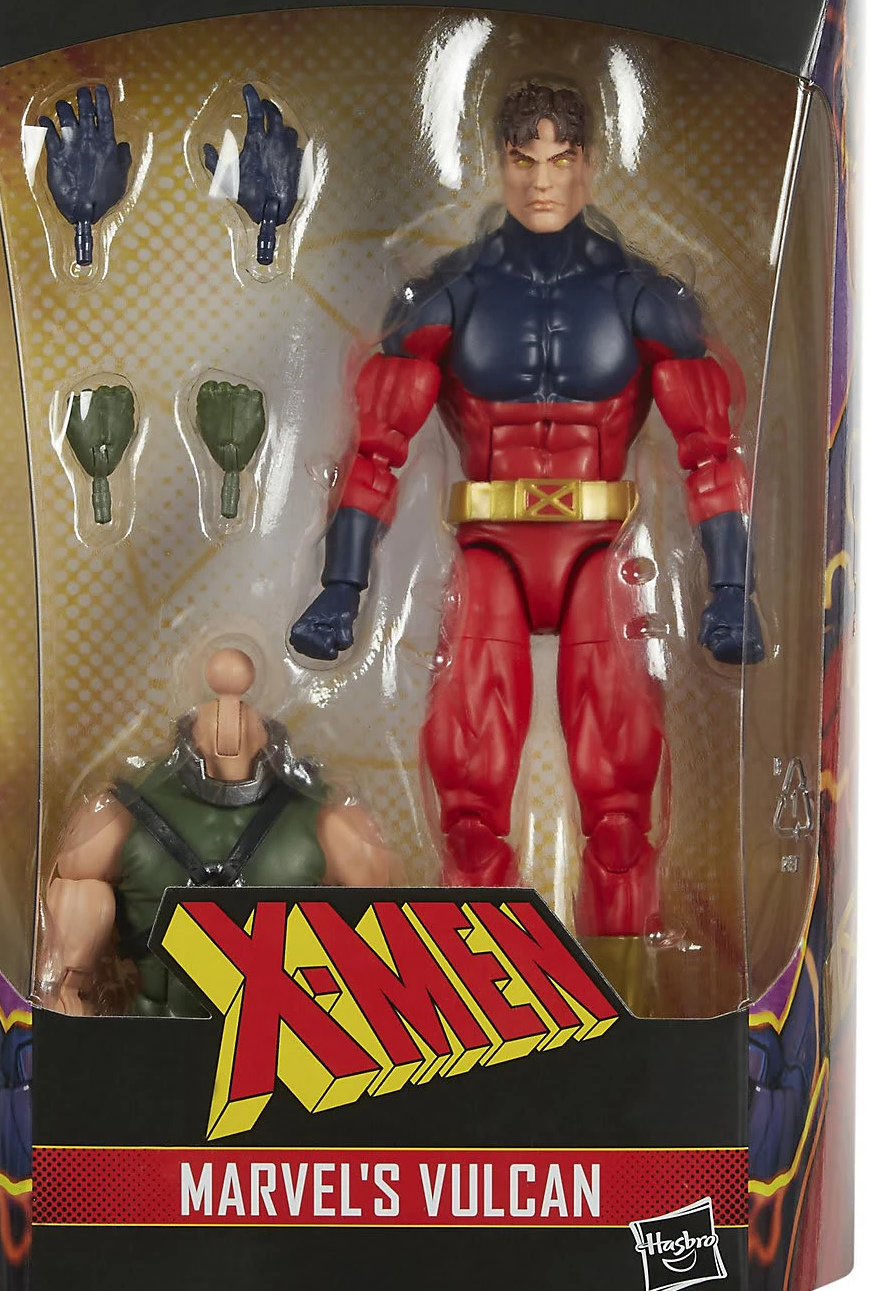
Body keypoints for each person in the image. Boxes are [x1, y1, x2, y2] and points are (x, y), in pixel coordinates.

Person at [291, 81, 763, 936]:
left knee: (620, 804)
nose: (542, 181)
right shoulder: (449, 295)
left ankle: (626, 988)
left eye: (560, 159)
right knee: (469, 804)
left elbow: (709, 449)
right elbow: (377, 447)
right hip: (490, 553)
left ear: (589, 165)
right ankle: (484, 985)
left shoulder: (642, 295)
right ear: (500, 163)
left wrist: (731, 590)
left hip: (600, 552)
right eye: (524, 160)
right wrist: (342, 586)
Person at [42, 648, 396, 1016]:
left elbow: (381, 918)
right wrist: (66, 993)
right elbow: (74, 885)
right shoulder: (123, 811)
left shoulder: (325, 816)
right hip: (155, 1028)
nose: (228, 730)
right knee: (80, 892)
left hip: (278, 1032)